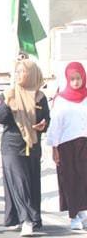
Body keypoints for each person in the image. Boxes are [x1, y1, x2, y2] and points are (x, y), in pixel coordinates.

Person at [0, 59, 50, 236]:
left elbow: (46, 119)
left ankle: (20, 218)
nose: (18, 75)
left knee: (31, 180)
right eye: (16, 71)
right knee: (18, 179)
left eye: (22, 71)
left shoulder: (40, 97)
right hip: (11, 143)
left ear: (31, 74)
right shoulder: (9, 93)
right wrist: (8, 104)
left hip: (32, 144)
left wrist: (43, 125)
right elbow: (0, 118)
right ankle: (26, 219)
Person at [47, 62, 87, 230]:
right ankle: (74, 215)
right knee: (69, 180)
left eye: (78, 78)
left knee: (84, 179)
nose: (76, 82)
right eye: (72, 79)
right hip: (66, 145)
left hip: (84, 142)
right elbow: (55, 124)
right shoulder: (61, 99)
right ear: (67, 79)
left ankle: (83, 212)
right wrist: (54, 147)